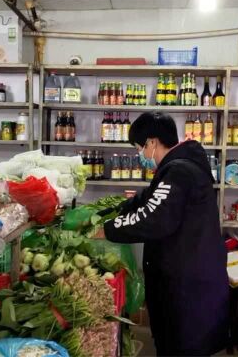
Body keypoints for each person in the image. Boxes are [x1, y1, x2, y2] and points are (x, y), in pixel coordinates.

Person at [95, 112, 229, 356]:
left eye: (139, 148)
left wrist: (107, 229)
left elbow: (155, 219)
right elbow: (147, 199)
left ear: (152, 143)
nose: (140, 155)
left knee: (180, 348)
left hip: (186, 286)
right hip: (185, 279)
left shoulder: (179, 171)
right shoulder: (177, 168)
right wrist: (110, 211)